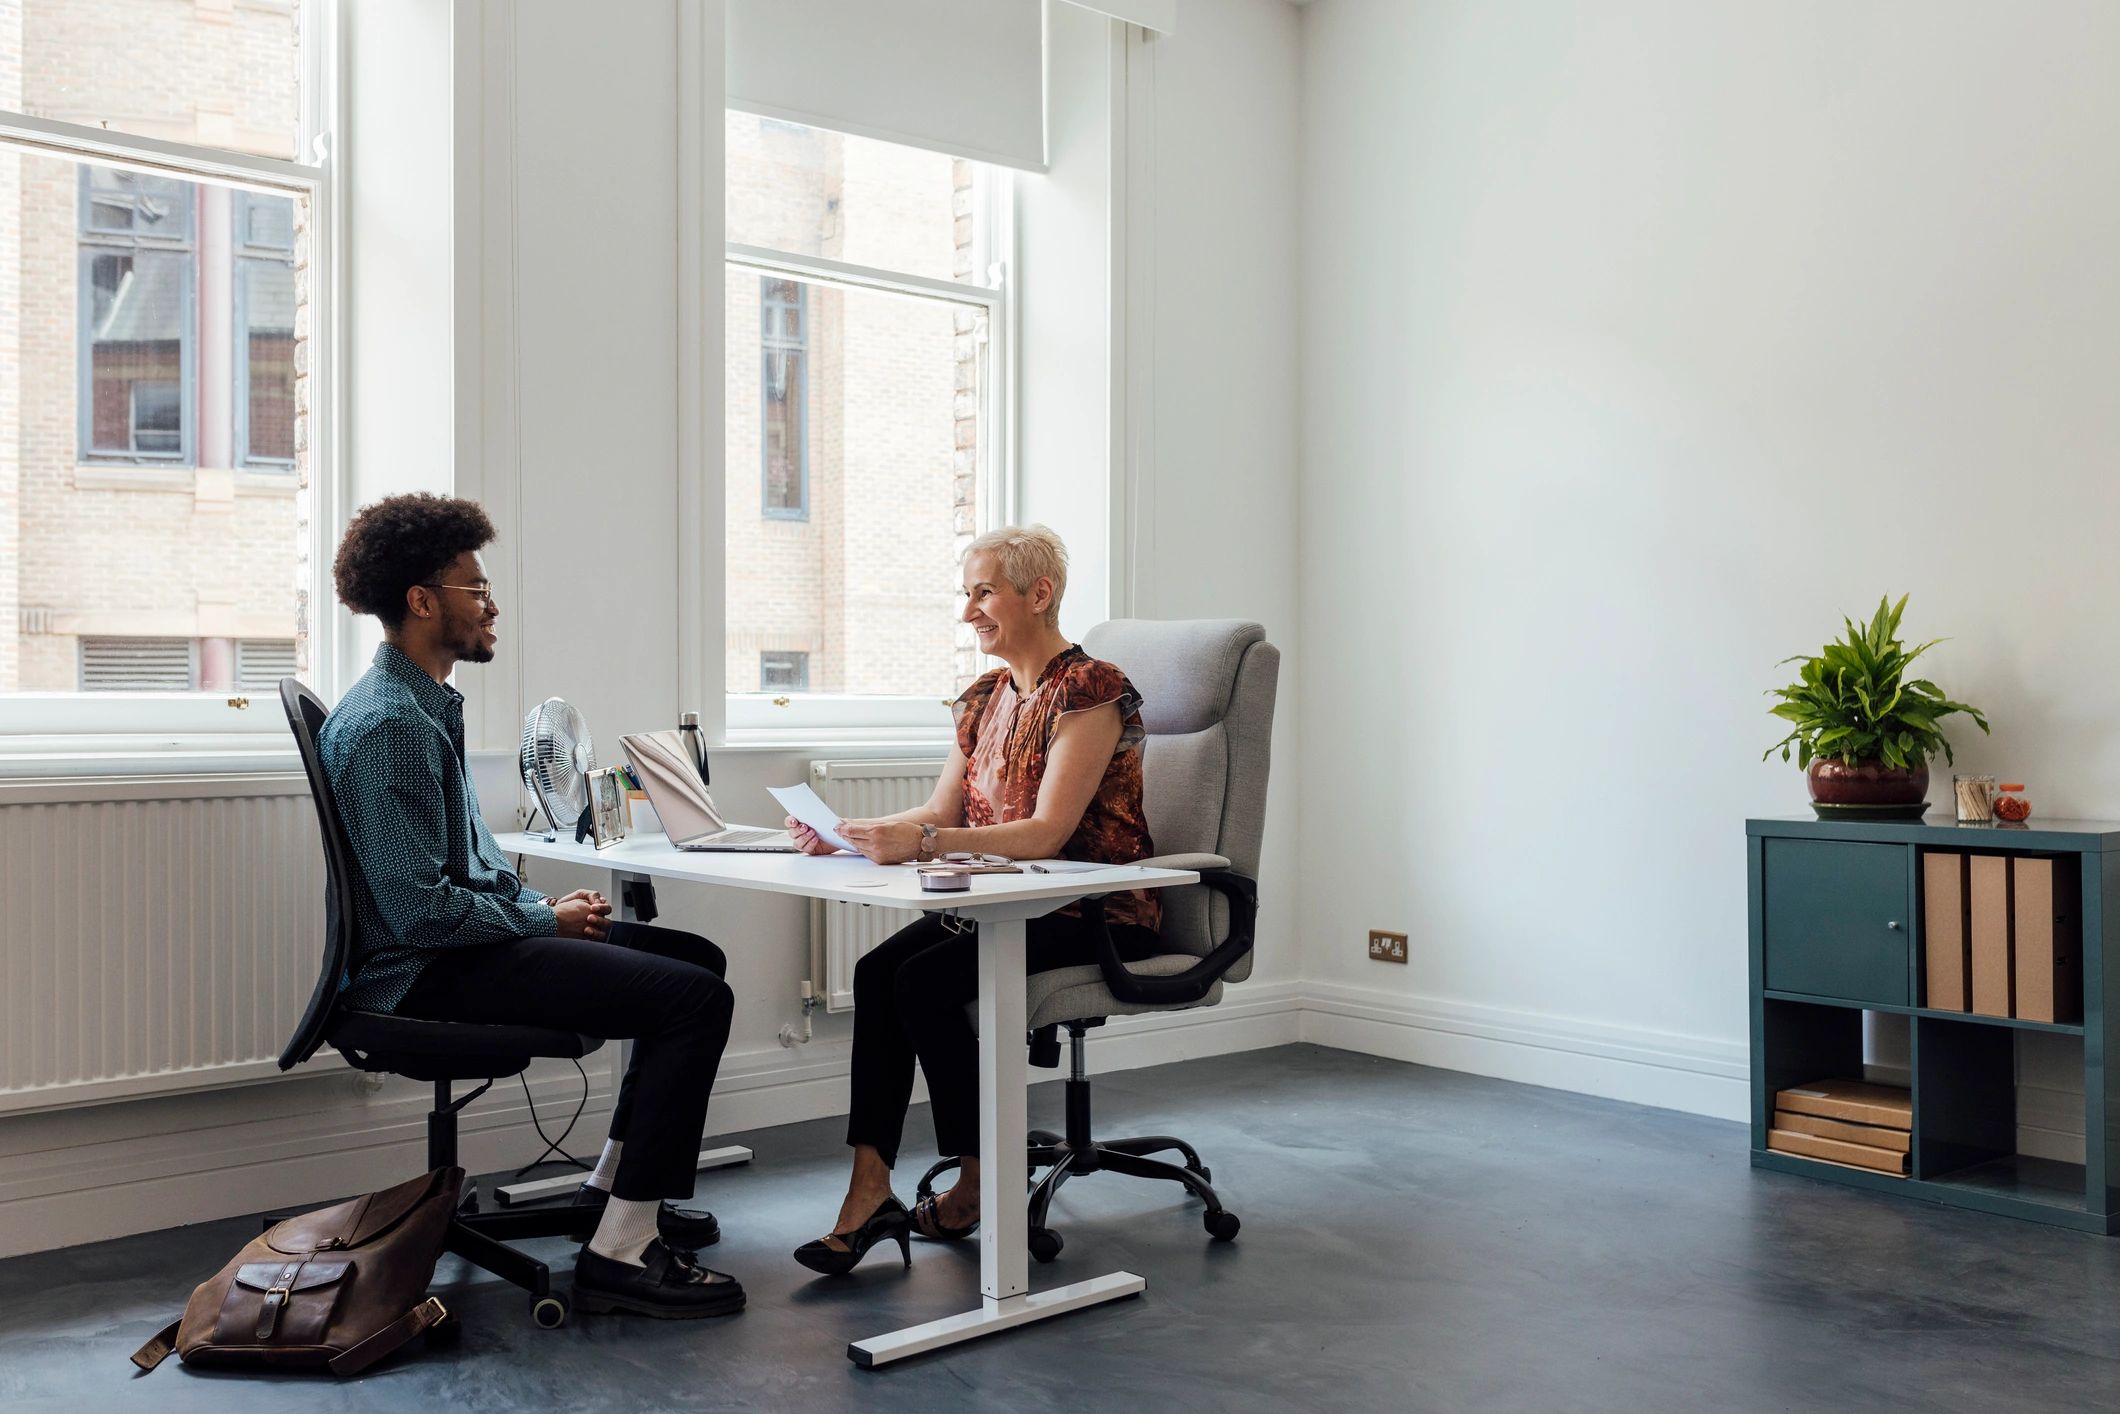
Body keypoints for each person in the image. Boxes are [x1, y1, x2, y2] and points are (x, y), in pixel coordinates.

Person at [319, 493, 743, 1318]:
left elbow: (455, 874)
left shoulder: (420, 707)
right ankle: (623, 1252)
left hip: (454, 952)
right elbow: (419, 916)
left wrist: (535, 905)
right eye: (476, 590)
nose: (493, 606)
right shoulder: (391, 726)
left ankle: (616, 1192)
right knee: (696, 1001)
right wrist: (543, 920)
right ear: (421, 600)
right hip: (422, 975)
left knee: (695, 961)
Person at [790, 524, 1162, 1275]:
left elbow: (1048, 833)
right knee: (875, 975)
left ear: (1040, 594)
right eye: (968, 594)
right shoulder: (986, 696)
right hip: (1008, 907)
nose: (970, 612)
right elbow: (940, 812)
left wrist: (923, 847)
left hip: (1095, 913)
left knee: (922, 982)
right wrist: (853, 833)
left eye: (984, 593)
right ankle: (871, 1190)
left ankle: (980, 1177)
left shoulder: (1091, 691)